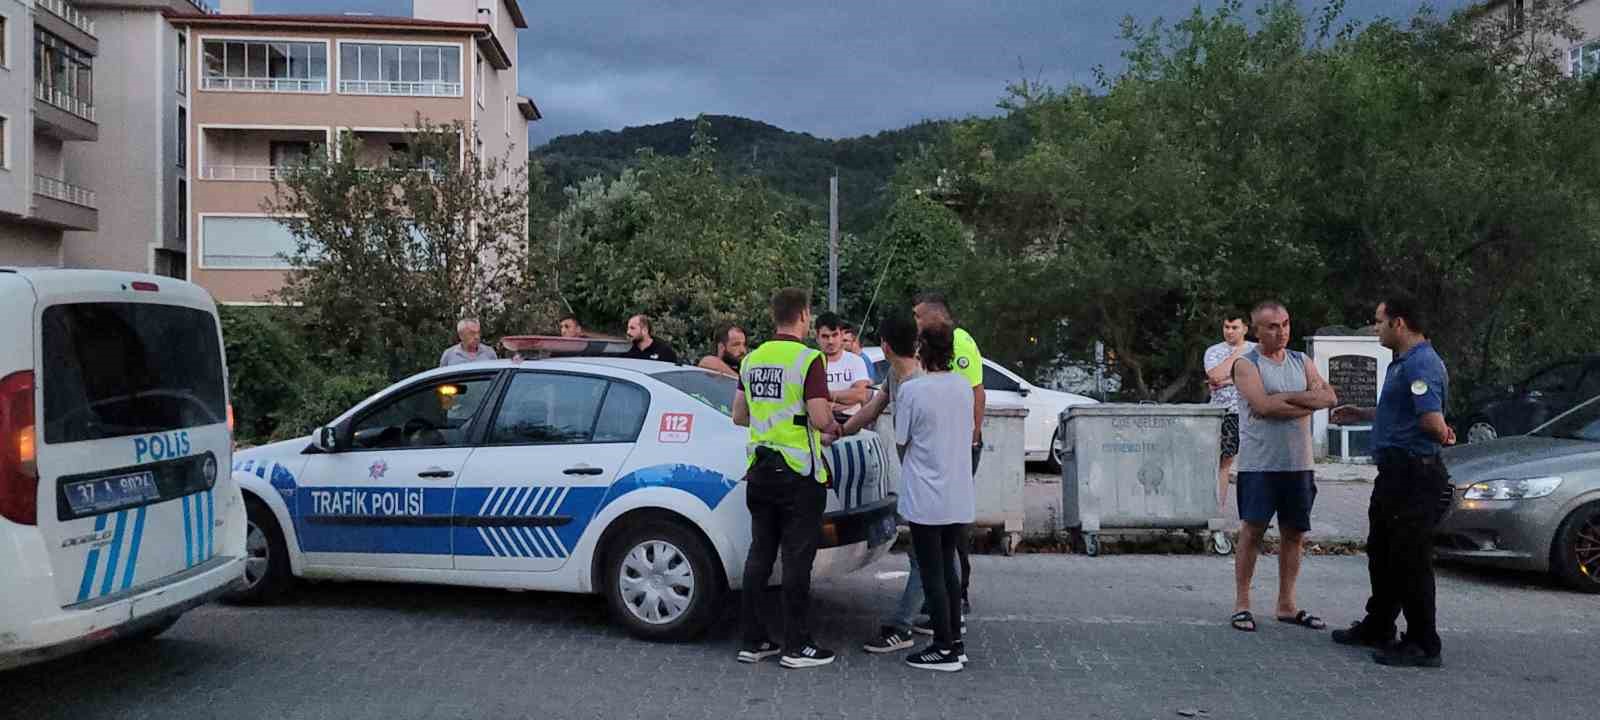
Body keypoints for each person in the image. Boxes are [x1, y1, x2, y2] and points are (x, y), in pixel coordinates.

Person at [1330, 295, 1454, 668]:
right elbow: (1402, 411)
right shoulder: (1400, 364)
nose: (1375, 328)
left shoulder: (1421, 365)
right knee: (1382, 551)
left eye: (1379, 322)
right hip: (1394, 475)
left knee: (1410, 558)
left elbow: (1431, 421)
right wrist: (1365, 413)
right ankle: (1379, 624)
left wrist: (1446, 434)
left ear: (1399, 323)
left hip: (1415, 475)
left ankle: (1422, 641)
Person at [732, 288, 843, 669]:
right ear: (804, 316)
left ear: (774, 315)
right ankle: (797, 646)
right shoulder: (809, 359)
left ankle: (753, 640)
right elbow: (818, 417)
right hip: (799, 474)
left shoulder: (751, 359)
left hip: (759, 470)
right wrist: (832, 427)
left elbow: (739, 416)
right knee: (798, 560)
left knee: (760, 553)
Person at [843, 308, 962, 656]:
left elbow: (904, 439)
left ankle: (915, 630)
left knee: (931, 560)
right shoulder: (900, 377)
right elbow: (875, 406)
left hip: (928, 483)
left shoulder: (920, 384)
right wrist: (840, 431)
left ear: (884, 345)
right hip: (930, 482)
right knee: (936, 558)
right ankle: (949, 631)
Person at [1228, 300, 1337, 634]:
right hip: (1260, 465)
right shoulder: (1246, 365)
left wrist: (1285, 401)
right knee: (1253, 531)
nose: (1281, 331)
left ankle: (1286, 605)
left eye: (1286, 324)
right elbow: (1261, 405)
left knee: (1294, 534)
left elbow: (1329, 398)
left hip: (1299, 464)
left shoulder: (1301, 361)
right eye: (1273, 326)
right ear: (1257, 330)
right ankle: (1242, 604)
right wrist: (1306, 401)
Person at [894, 322, 976, 672]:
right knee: (949, 569)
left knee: (932, 573)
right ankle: (955, 642)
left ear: (920, 350)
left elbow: (901, 439)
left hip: (925, 496)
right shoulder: (963, 387)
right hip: (958, 494)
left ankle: (942, 648)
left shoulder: (913, 390)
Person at [912, 292, 983, 614]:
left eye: (918, 316)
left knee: (951, 526)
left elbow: (974, 392)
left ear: (936, 317)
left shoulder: (960, 343)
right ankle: (942, 595)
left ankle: (957, 594)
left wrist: (972, 438)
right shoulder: (927, 347)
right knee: (943, 524)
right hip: (945, 446)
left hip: (957, 448)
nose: (915, 321)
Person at [1205, 314, 1256, 513]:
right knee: (1223, 461)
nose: (1229, 331)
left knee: (1252, 465)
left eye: (1234, 327)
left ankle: (1252, 513)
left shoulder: (1256, 350)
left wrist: (1228, 380)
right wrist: (1237, 355)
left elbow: (1260, 379)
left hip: (1252, 412)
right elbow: (1215, 376)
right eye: (1226, 327)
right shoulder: (1215, 351)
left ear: (1245, 328)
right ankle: (1217, 510)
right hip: (1225, 413)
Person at [816, 312, 872, 416]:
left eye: (834, 335)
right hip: (820, 426)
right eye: (825, 336)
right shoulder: (811, 363)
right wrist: (847, 402)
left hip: (852, 423)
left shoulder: (856, 361)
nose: (830, 341)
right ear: (817, 337)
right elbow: (809, 402)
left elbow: (860, 395)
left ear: (841, 335)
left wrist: (824, 395)